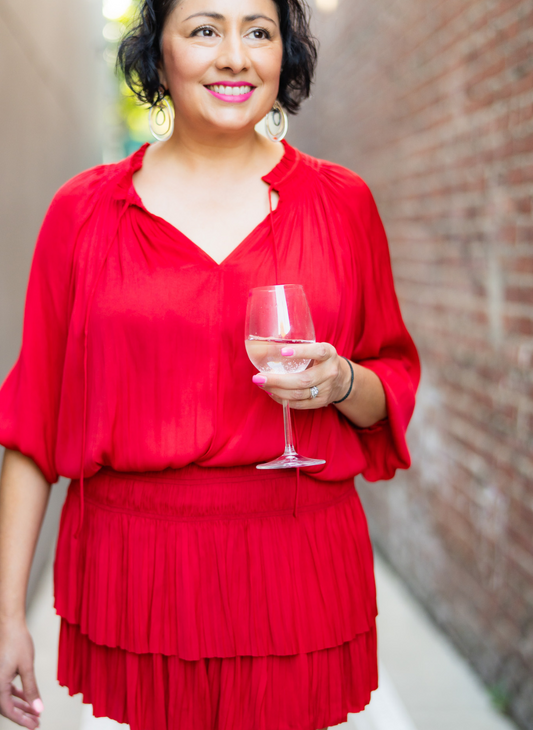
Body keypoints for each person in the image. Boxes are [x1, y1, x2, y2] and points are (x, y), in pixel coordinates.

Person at [0, 0, 420, 728]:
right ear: (156, 50)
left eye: (257, 31)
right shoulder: (84, 213)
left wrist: (344, 381)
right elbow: (32, 420)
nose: (234, 56)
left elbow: (391, 382)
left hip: (296, 566)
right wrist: (5, 611)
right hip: (142, 570)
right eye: (203, 29)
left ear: (282, 51)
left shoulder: (342, 204)